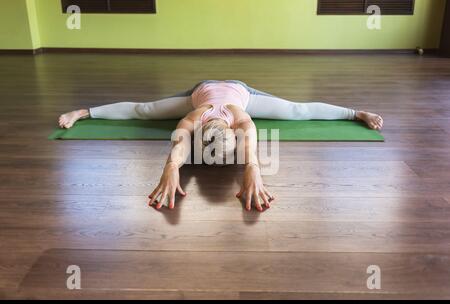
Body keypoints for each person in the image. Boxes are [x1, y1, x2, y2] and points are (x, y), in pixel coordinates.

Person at [58, 80, 383, 211]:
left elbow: (181, 143)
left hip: (222, 92)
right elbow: (183, 146)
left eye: (213, 134)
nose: (214, 127)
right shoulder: (220, 117)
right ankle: (84, 111)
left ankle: (357, 113)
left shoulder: (207, 116)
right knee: (144, 109)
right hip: (222, 89)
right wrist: (252, 169)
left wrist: (172, 167)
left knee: (298, 110)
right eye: (219, 133)